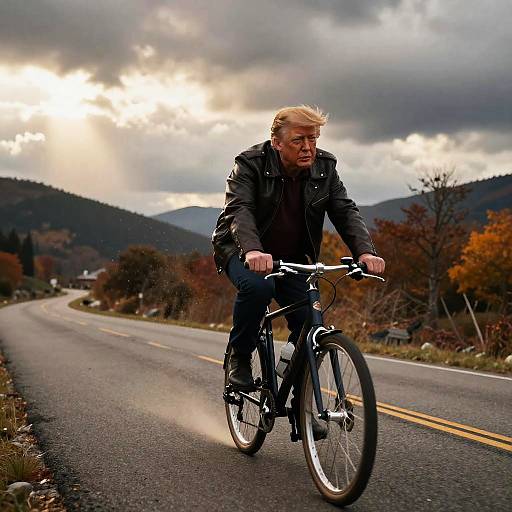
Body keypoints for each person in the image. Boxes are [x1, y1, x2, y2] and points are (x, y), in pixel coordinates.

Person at [212, 105, 385, 438]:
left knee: (310, 322)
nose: (308, 147)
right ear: (276, 141)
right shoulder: (249, 164)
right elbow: (239, 210)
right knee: (259, 289)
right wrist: (252, 250)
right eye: (299, 140)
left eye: (314, 139)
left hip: (293, 257)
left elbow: (345, 210)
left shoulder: (325, 168)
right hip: (241, 248)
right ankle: (241, 357)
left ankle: (299, 404)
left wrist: (365, 251)